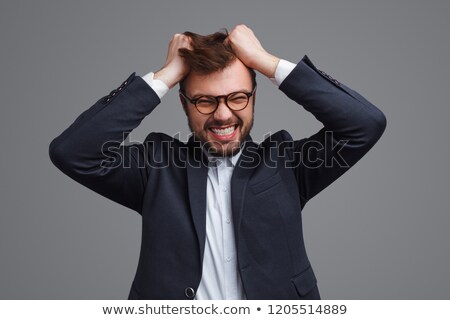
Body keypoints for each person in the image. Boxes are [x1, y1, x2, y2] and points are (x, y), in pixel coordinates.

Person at [49, 25, 386, 300]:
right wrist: (166, 75)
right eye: (206, 101)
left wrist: (265, 61)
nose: (224, 114)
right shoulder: (155, 167)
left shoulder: (289, 162)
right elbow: (73, 151)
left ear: (253, 98)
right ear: (184, 104)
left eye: (238, 97)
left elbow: (364, 124)